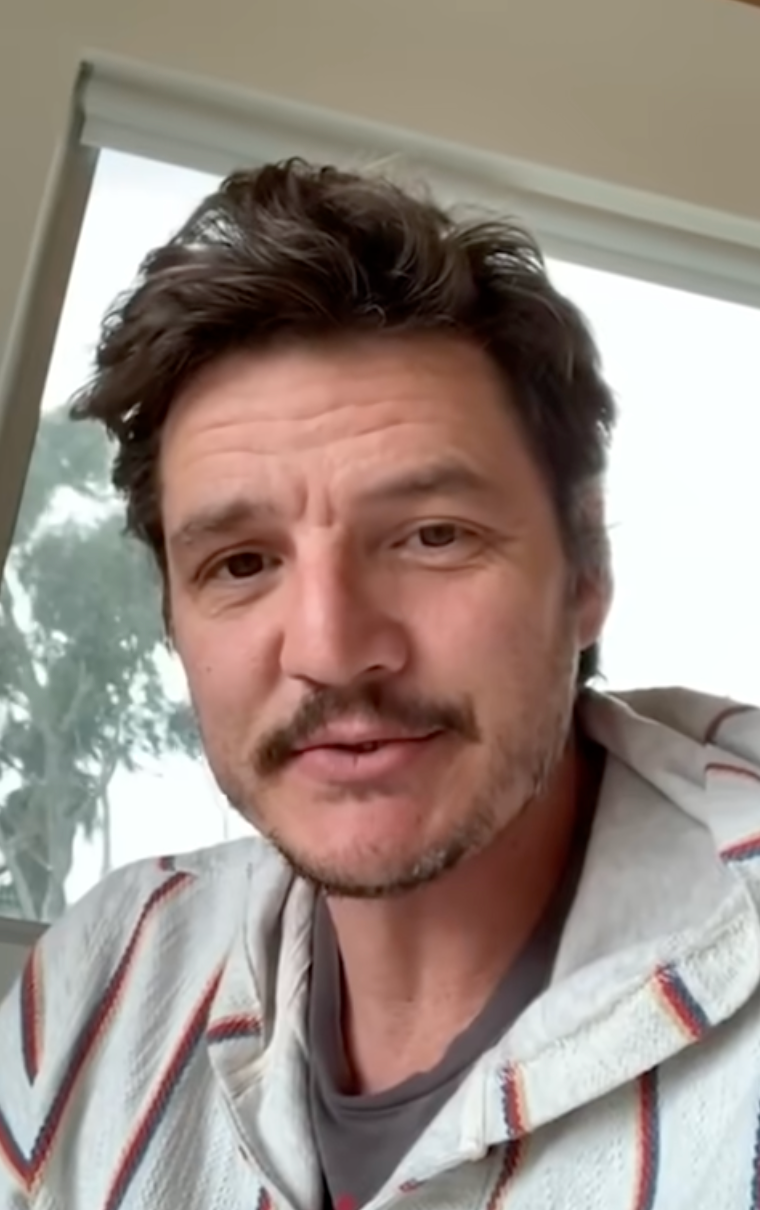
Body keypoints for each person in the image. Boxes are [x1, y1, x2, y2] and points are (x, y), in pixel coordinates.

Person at [1, 158, 758, 1210]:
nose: (330, 647)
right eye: (241, 562)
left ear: (585, 570)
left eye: (432, 536)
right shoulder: (102, 975)